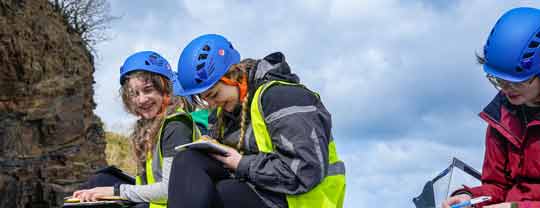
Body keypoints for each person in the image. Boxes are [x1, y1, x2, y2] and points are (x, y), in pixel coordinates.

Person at [168, 34, 346, 208]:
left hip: (302, 200)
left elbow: (305, 172)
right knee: (189, 159)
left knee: (223, 194)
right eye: (205, 100)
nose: (212, 104)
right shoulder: (225, 114)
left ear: (233, 75)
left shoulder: (282, 97)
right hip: (262, 189)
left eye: (214, 95)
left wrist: (240, 163)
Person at [71, 51, 202, 208]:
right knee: (99, 181)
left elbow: (170, 190)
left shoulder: (176, 126)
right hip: (154, 202)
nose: (141, 99)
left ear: (164, 89)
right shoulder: (146, 127)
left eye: (148, 90)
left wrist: (115, 192)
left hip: (171, 202)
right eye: (134, 94)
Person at [443, 7, 540, 208]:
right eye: (498, 80)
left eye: (517, 81)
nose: (506, 89)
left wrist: (516, 207)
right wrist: (468, 198)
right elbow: (496, 185)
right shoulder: (501, 117)